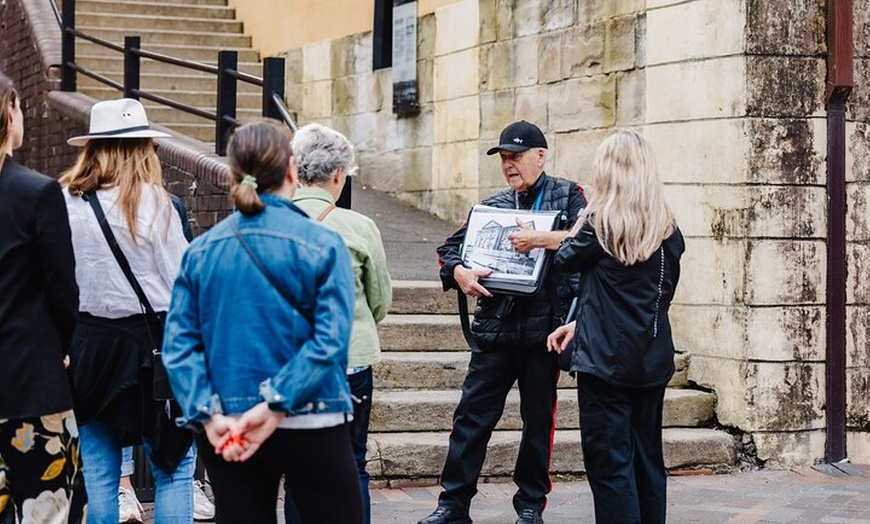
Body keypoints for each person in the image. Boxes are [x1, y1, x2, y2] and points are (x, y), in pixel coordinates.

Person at [161, 119, 362, 524]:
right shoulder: (323, 243)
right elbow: (331, 341)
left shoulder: (201, 252)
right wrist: (275, 404)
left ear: (234, 174)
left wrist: (207, 414)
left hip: (230, 421)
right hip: (314, 413)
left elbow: (179, 346)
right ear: (291, 169)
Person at [420, 120, 587, 524]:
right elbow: (449, 248)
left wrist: (542, 239)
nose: (510, 165)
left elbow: (589, 240)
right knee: (471, 419)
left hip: (544, 330)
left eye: (516, 156)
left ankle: (530, 506)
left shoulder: (569, 196)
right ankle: (453, 505)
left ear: (540, 156)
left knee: (537, 423)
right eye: (504, 158)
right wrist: (458, 272)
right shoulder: (491, 204)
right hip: (495, 328)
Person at [60, 98, 197, 524]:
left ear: (93, 148)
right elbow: (182, 285)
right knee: (173, 469)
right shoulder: (157, 204)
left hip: (88, 347)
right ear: (142, 149)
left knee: (99, 472)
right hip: (152, 347)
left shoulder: (64, 202)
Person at [546, 129, 684, 523]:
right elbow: (653, 294)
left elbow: (566, 258)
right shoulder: (668, 228)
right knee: (647, 462)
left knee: (610, 467)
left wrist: (588, 211)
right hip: (651, 359)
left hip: (606, 364)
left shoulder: (599, 224)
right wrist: (580, 324)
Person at [284, 123, 392, 524]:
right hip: (350, 360)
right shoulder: (359, 227)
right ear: (338, 175)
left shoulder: (273, 221)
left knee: (298, 470)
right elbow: (380, 301)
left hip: (292, 363)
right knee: (354, 462)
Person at [0, 73, 87, 524]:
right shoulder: (36, 193)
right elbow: (63, 288)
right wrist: (66, 346)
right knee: (48, 513)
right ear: (9, 110)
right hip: (32, 386)